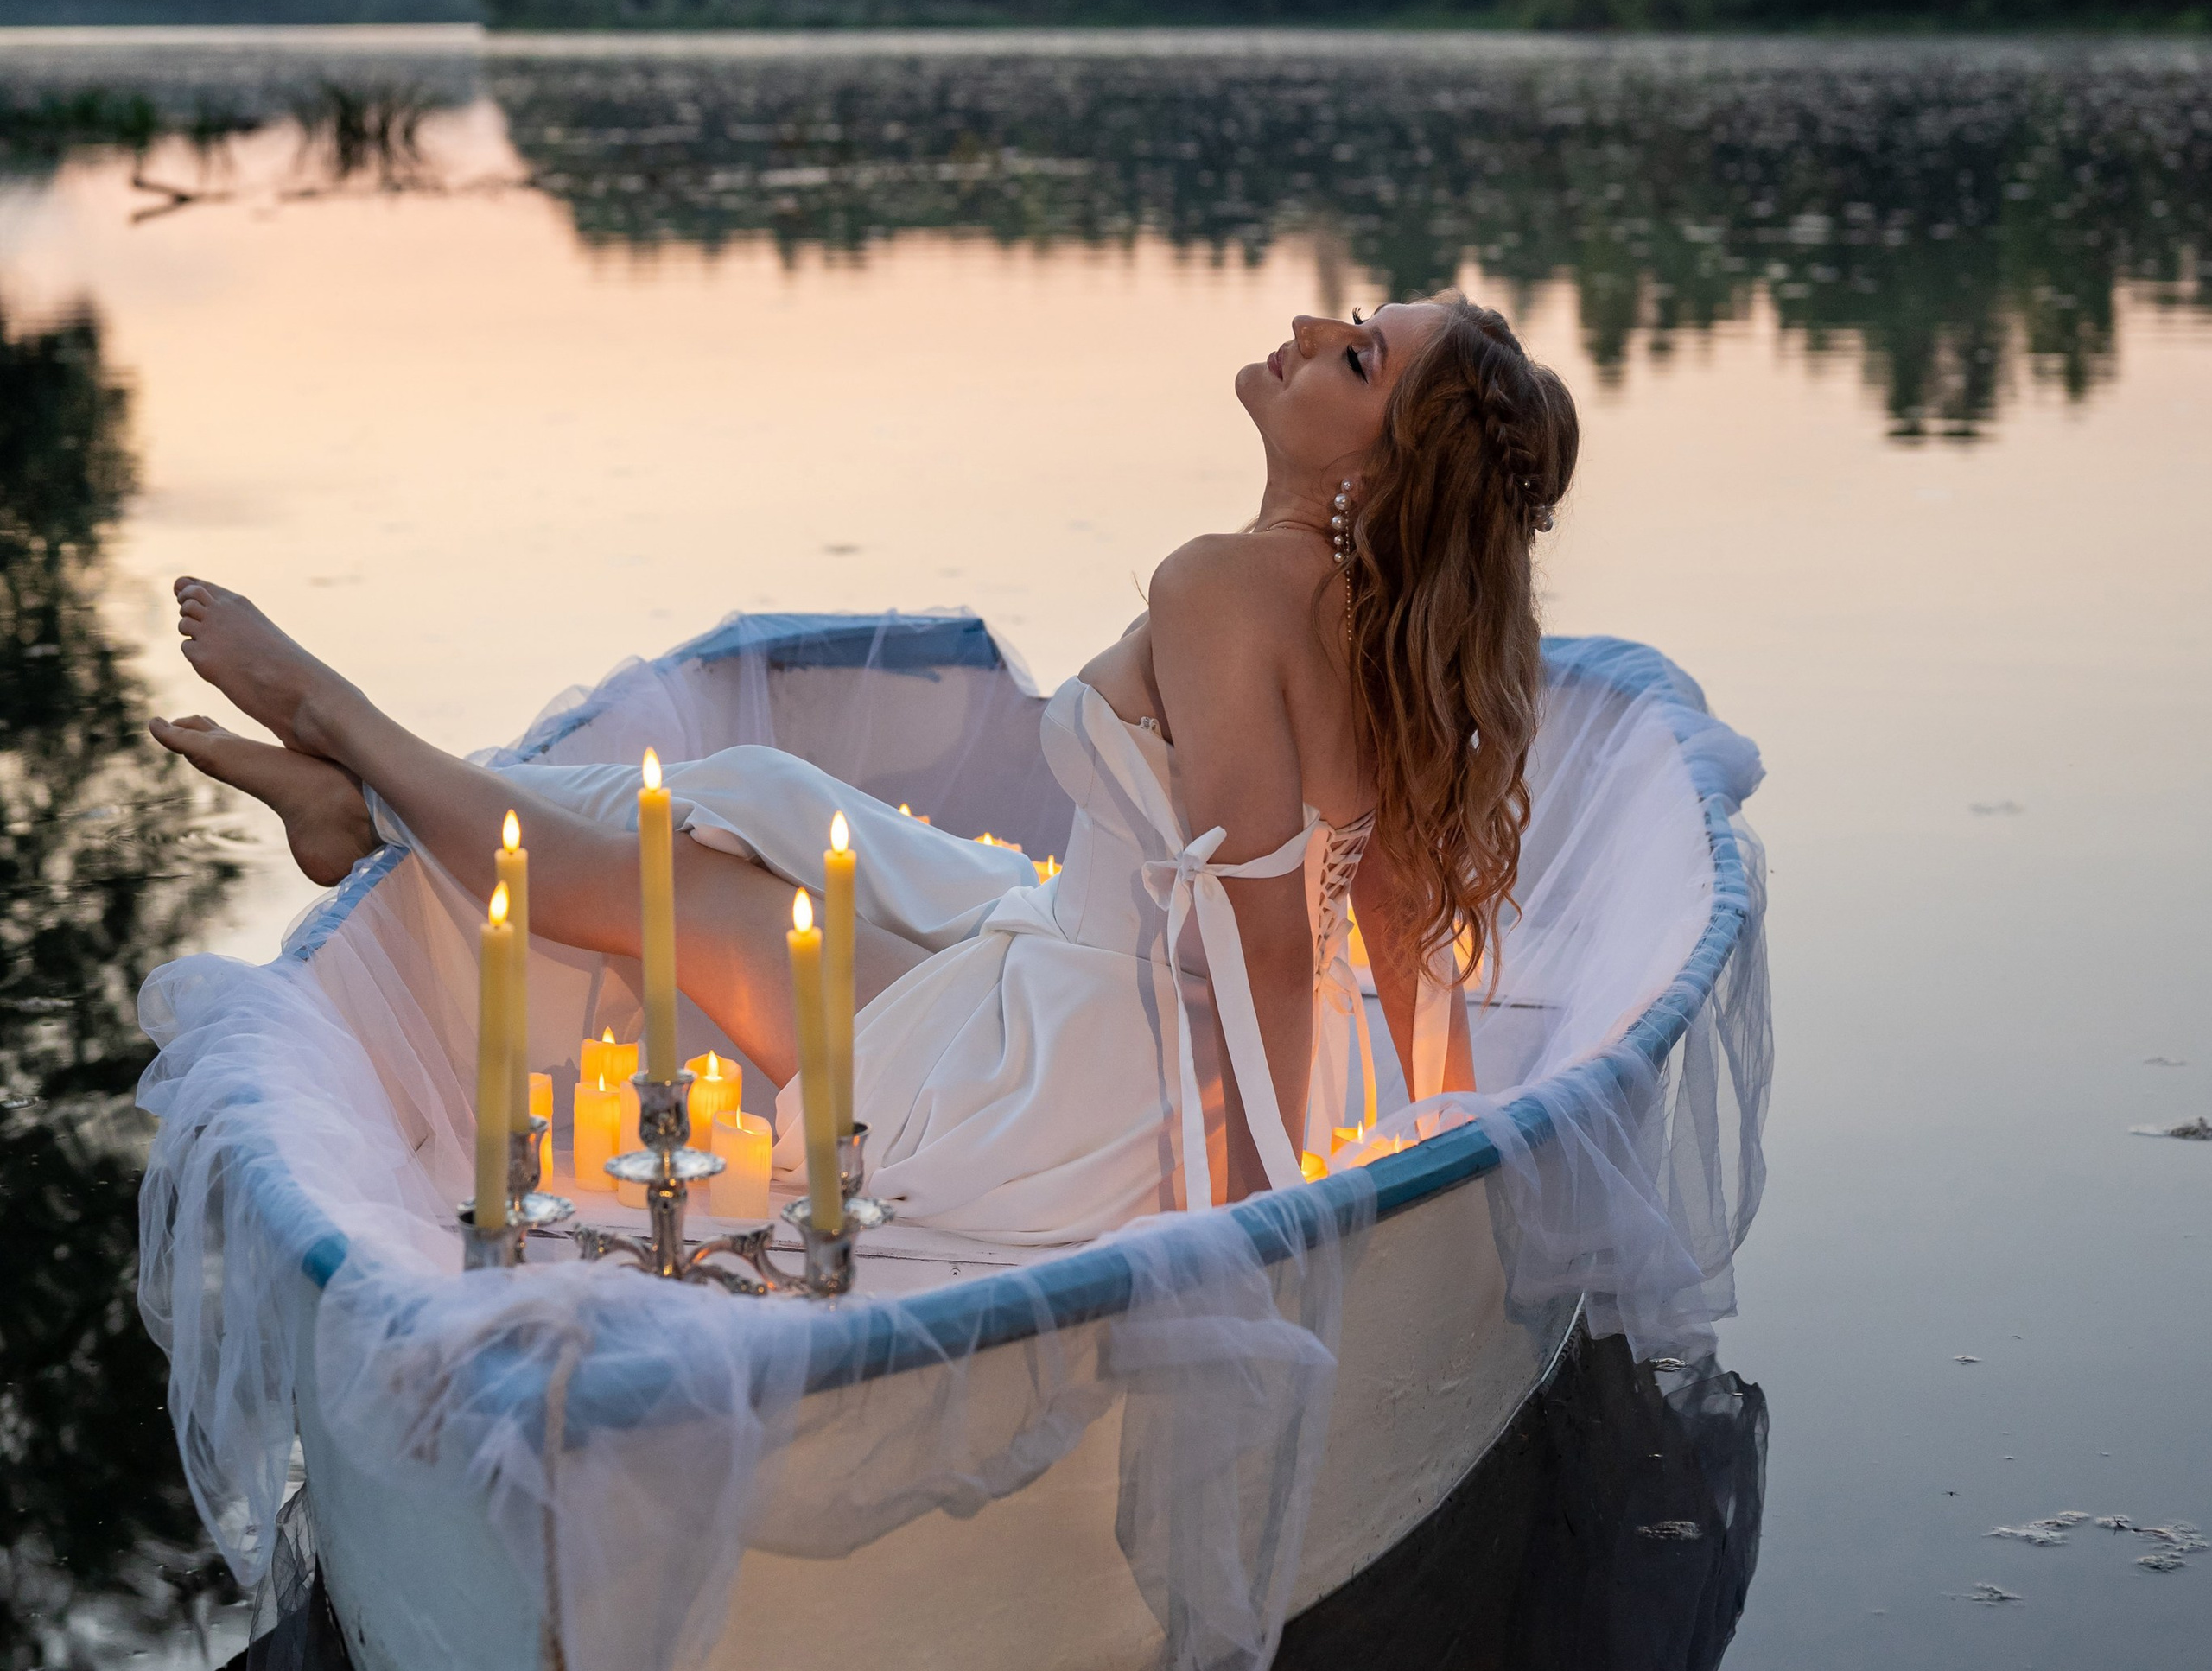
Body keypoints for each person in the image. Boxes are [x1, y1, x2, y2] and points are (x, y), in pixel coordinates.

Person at [150, 297, 1577, 1243]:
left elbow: (1272, 944)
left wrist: (1256, 1236)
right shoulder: (1387, 637)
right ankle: (364, 800)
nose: (1314, 322)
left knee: (702, 898)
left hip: (1085, 1093)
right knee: (769, 796)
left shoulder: (1223, 591)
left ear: (1377, 471)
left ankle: (338, 723)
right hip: (1093, 996)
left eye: (1357, 356)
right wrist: (1442, 1127)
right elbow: (1393, 926)